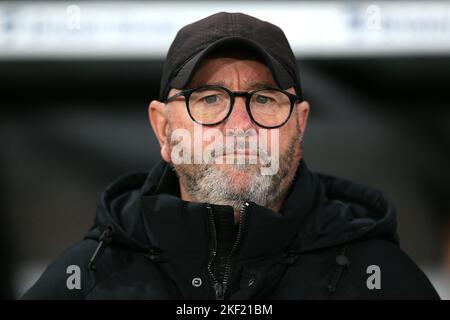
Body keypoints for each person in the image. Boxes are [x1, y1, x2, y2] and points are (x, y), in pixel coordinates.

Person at [22, 12, 439, 300]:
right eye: (208, 98)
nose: (240, 125)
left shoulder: (389, 285)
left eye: (264, 98)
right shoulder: (82, 283)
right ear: (164, 128)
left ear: (301, 124)